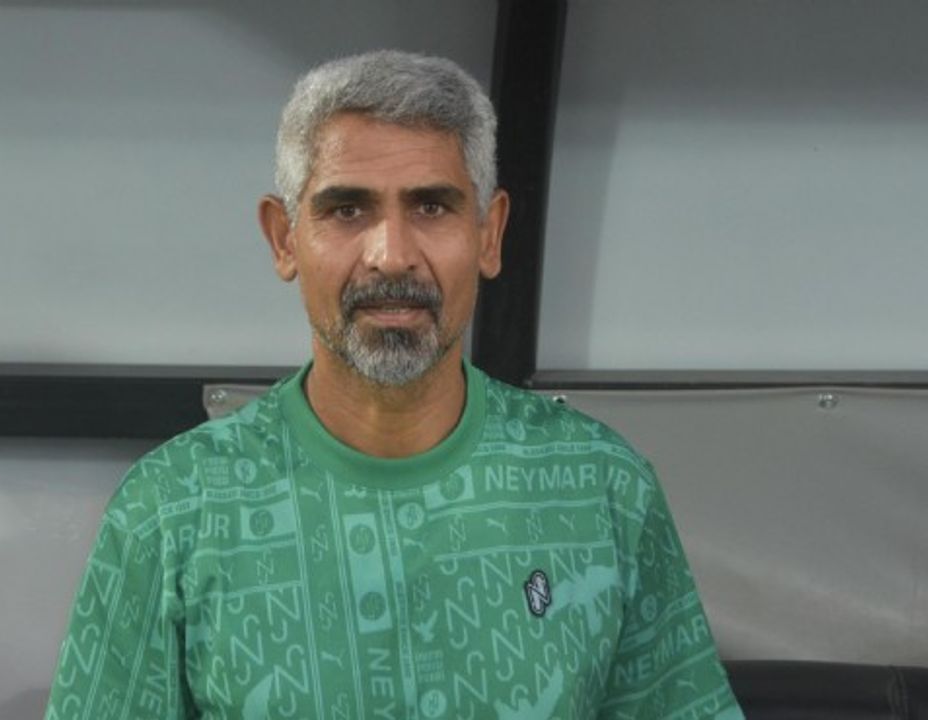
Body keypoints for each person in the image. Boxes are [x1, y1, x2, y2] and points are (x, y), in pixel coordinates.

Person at [45, 50, 743, 719]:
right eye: (347, 210)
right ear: (284, 239)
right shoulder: (170, 510)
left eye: (432, 207)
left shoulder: (601, 488)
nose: (391, 255)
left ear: (489, 234)